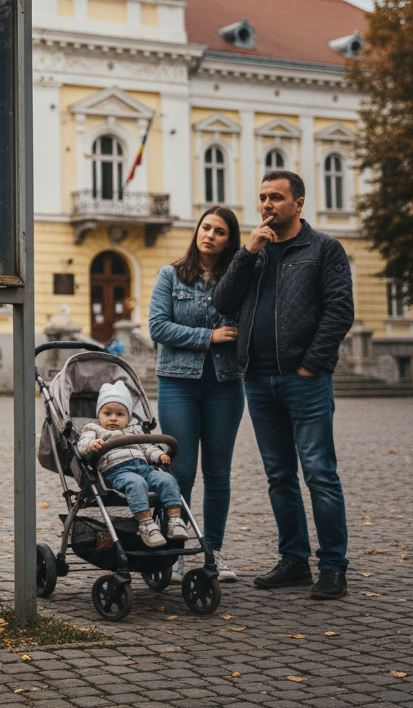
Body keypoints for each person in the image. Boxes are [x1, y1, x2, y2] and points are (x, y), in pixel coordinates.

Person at [213, 170, 354, 599]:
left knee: (319, 474)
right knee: (279, 476)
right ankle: (294, 560)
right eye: (262, 197)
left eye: (276, 197)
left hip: (304, 381)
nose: (266, 205)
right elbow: (222, 302)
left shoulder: (323, 248)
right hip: (258, 379)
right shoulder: (253, 252)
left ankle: (332, 567)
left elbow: (339, 311)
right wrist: (245, 253)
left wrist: (312, 365)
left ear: (299, 203)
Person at [148, 206, 243, 581]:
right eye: (206, 227)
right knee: (181, 471)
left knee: (218, 473)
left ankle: (211, 553)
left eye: (220, 231)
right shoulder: (170, 275)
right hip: (177, 384)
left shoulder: (237, 281)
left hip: (225, 384)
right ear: (196, 231)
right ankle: (177, 552)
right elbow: (158, 327)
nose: (210, 235)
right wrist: (209, 337)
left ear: (229, 240)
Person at [76, 380, 189, 547]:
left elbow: (148, 448)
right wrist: (91, 445)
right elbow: (82, 448)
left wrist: (159, 456)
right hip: (117, 472)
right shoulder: (93, 430)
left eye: (120, 414)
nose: (113, 418)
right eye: (107, 413)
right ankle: (146, 524)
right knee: (136, 483)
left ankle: (175, 521)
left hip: (144, 469)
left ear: (128, 416)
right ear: (98, 415)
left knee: (167, 479)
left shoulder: (135, 430)